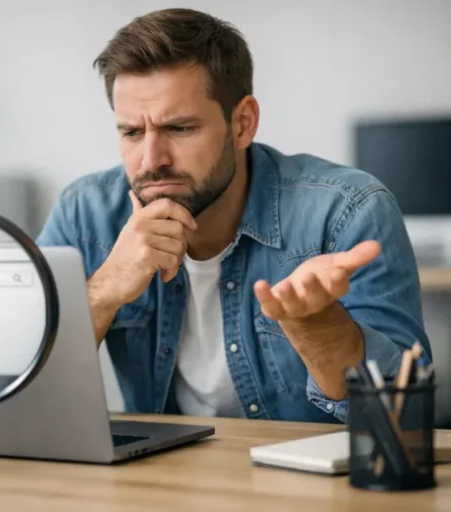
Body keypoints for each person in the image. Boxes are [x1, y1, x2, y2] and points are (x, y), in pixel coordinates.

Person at [35, 8, 431, 423]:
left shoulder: (348, 211)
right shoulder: (85, 214)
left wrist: (320, 330)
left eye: (179, 128)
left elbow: (404, 420)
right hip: (158, 466)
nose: (151, 160)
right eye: (132, 132)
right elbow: (19, 390)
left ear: (242, 123)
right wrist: (102, 292)